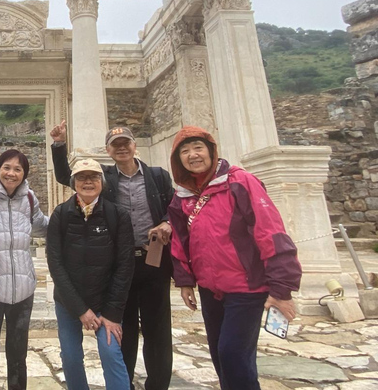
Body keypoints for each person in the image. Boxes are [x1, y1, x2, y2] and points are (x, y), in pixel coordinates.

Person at [168, 126, 302, 390]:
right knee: (221, 356)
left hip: (246, 286)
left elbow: (270, 231)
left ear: (211, 151)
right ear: (178, 159)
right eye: (185, 151)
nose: (193, 155)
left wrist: (282, 288)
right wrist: (185, 281)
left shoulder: (239, 182)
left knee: (233, 355)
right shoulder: (183, 196)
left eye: (198, 148)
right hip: (211, 288)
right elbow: (180, 241)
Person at [50, 120, 174, 389]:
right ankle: (124, 383)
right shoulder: (106, 178)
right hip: (122, 265)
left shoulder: (158, 176)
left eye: (125, 143)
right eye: (115, 145)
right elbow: (69, 177)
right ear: (108, 150)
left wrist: (167, 221)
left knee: (158, 331)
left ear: (134, 145)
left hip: (154, 260)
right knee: (122, 330)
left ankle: (158, 385)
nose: (122, 149)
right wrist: (59, 145)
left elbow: (174, 206)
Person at [46, 158, 135, 390]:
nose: (88, 182)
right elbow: (55, 263)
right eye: (82, 177)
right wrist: (80, 310)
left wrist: (113, 312)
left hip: (105, 300)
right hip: (69, 302)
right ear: (74, 182)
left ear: (102, 182)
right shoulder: (61, 214)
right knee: (71, 356)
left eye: (93, 177)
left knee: (110, 352)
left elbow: (125, 265)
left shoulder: (117, 215)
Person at [0, 149, 49, 390]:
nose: (12, 173)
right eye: (7, 167)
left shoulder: (28, 198)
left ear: (24, 173)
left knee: (18, 358)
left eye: (18, 169)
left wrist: (72, 218)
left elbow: (41, 225)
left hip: (23, 291)